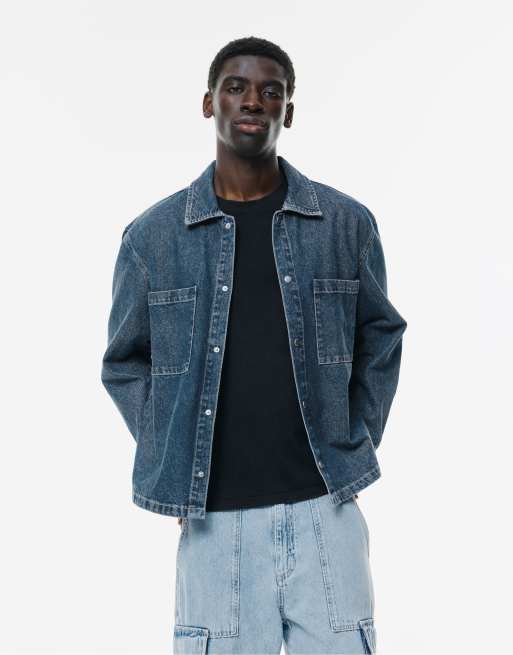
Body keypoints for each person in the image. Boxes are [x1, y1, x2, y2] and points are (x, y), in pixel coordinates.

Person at [101, 35, 407, 654]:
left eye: (271, 91)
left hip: (326, 512)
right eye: (236, 87)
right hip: (214, 525)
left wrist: (357, 436)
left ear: (287, 111)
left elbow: (381, 334)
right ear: (208, 103)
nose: (252, 101)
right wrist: (173, 452)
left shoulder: (346, 225)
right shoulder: (153, 238)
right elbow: (124, 362)